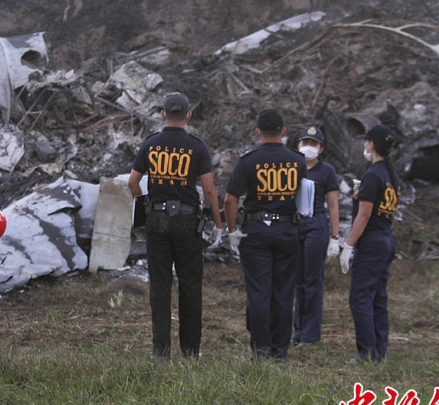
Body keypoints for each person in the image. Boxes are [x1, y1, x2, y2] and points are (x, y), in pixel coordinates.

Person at [128, 92, 223, 360]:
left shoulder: (151, 144)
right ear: (188, 116)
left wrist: (145, 206)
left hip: (157, 220)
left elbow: (132, 182)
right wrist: (218, 225)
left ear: (163, 114)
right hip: (187, 222)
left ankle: (161, 354)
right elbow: (209, 190)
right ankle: (191, 353)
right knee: (190, 286)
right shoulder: (197, 147)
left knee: (160, 287)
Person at [223, 109, 306, 360]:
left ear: (258, 132)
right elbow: (304, 199)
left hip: (257, 230)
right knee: (284, 292)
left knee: (259, 292)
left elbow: (230, 200)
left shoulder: (248, 161)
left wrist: (232, 230)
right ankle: (280, 350)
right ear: (283, 131)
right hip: (287, 229)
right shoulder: (298, 160)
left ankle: (261, 350)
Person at [340, 124, 401, 363]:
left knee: (360, 297)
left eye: (366, 141)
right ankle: (379, 351)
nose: (364, 146)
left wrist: (348, 245)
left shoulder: (373, 175)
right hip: (386, 238)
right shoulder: (391, 175)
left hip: (372, 241)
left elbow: (364, 215)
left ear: (372, 144)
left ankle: (366, 352)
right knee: (378, 297)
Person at [291, 125, 340, 348]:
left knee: (312, 280)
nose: (308, 147)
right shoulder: (293, 166)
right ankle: (298, 330)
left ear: (320, 148)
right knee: (297, 280)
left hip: (316, 224)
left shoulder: (326, 171)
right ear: (298, 145)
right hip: (295, 223)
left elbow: (333, 205)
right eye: (305, 143)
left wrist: (335, 236)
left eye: (313, 144)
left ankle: (310, 334)